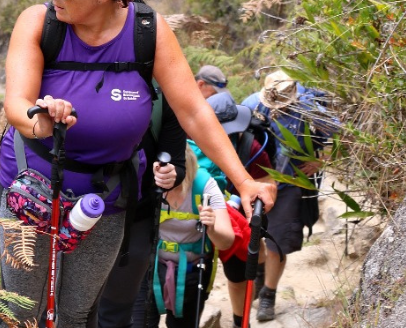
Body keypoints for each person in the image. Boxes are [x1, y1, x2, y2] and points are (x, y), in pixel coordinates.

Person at [0, 0, 276, 327]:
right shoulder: (39, 23)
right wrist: (40, 120)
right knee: (22, 311)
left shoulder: (147, 32)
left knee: (76, 313)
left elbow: (193, 111)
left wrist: (243, 181)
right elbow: (16, 104)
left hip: (105, 196)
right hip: (33, 187)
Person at [242, 70, 337, 322]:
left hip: (290, 184)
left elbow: (335, 132)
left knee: (278, 241)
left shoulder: (309, 106)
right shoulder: (252, 104)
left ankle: (268, 294)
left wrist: (320, 161)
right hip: (255, 182)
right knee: (254, 237)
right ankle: (261, 273)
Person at [193, 65, 278, 328]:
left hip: (241, 213)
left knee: (238, 274)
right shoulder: (192, 143)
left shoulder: (250, 144)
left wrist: (245, 204)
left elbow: (267, 184)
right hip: (203, 213)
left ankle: (241, 321)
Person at [94, 91, 187, 328]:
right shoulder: (80, 72)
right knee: (76, 308)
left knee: (115, 313)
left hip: (136, 217)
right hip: (76, 214)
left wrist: (170, 175)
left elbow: (177, 163)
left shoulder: (164, 91)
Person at [142, 145, 234, 328]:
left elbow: (226, 241)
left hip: (191, 274)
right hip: (149, 270)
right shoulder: (149, 182)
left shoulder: (204, 185)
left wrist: (212, 228)